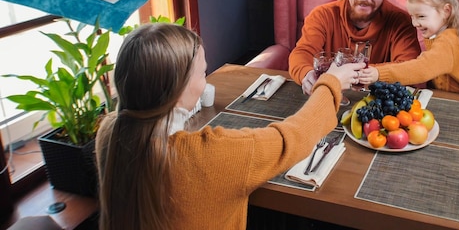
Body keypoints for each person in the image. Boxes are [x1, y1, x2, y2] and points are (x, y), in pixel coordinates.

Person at [95, 23, 365, 230]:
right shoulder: (210, 155)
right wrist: (330, 83)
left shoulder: (110, 133)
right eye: (202, 73)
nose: (204, 82)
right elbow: (294, 137)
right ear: (178, 88)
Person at [289, 0, 422, 95]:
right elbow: (302, 53)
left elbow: (410, 69)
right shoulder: (322, 16)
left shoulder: (400, 22)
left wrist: (363, 74)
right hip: (328, 98)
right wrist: (307, 74)